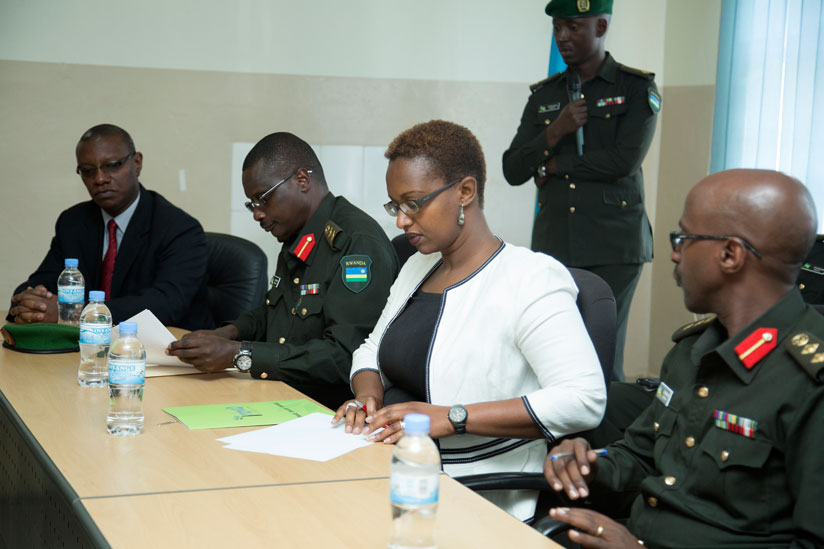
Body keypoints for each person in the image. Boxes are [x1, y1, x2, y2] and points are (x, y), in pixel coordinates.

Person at [332, 120, 606, 521]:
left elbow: (584, 399)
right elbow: (372, 348)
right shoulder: (417, 267)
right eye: (395, 206)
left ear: (465, 191)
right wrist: (367, 397)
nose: (401, 221)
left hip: (470, 493)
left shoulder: (529, 278)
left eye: (414, 203)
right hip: (389, 466)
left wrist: (451, 417)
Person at [543, 169, 824, 548]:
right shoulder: (693, 350)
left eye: (684, 238)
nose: (674, 253)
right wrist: (592, 464)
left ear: (730, 255)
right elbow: (641, 452)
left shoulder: (808, 382)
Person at [167, 132, 399, 409]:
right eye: (251, 203)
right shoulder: (298, 235)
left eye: (262, 198)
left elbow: (345, 356)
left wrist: (239, 354)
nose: (257, 213)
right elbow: (276, 313)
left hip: (325, 409)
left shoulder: (356, 243)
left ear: (302, 180)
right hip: (278, 395)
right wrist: (228, 333)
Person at [502, 0, 660, 381]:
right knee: (552, 350)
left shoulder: (635, 88)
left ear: (600, 28)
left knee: (600, 350)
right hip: (557, 241)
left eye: (573, 27)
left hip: (614, 243)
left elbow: (622, 162)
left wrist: (556, 165)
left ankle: (604, 439)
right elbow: (512, 168)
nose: (562, 37)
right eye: (557, 28)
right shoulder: (546, 95)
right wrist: (556, 130)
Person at [8, 124, 213, 331]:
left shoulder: (179, 228)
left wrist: (74, 314)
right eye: (88, 171)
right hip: (89, 350)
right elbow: (43, 283)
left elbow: (166, 305)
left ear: (137, 163)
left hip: (162, 353)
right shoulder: (73, 222)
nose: (100, 179)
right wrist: (30, 304)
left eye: (112, 166)